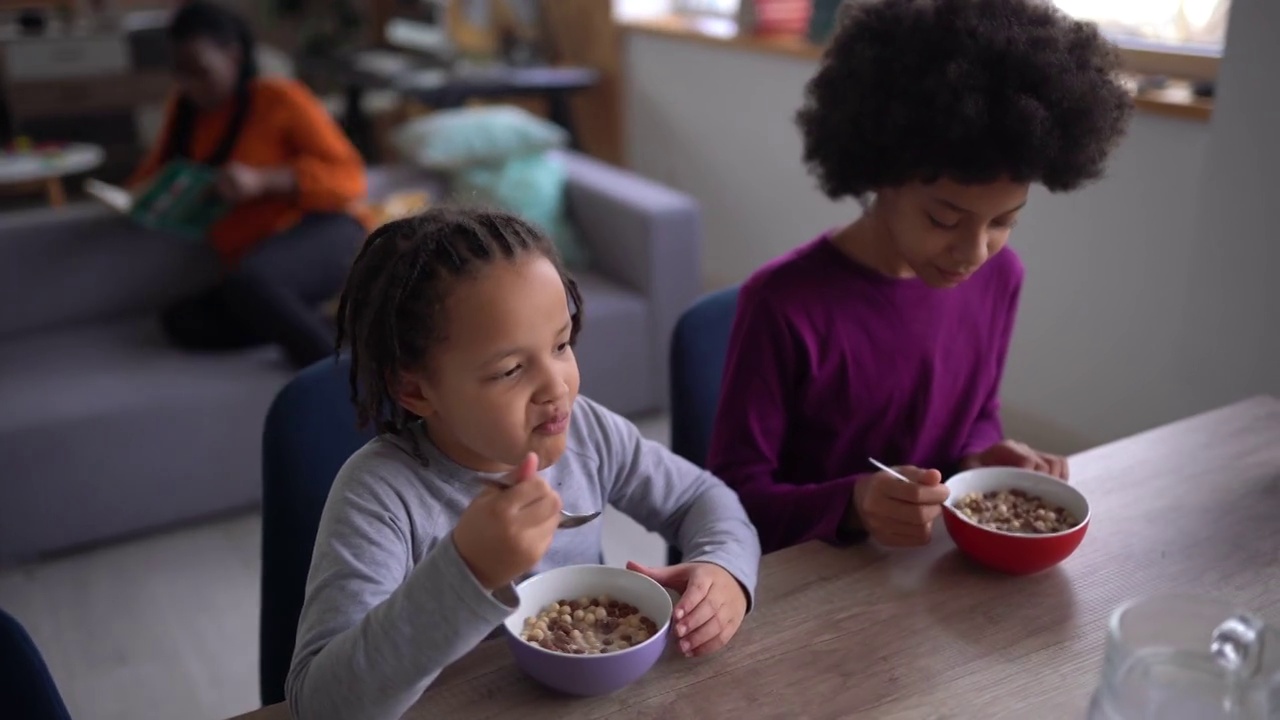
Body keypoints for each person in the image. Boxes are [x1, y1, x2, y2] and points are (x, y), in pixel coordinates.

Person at [286, 208, 761, 720]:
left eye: (561, 344)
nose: (557, 387)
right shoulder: (380, 495)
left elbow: (703, 498)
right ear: (414, 389)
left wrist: (724, 569)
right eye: (511, 369)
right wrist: (466, 571)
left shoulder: (589, 434)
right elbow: (320, 705)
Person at [706, 0, 1133, 554]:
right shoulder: (783, 305)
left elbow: (977, 412)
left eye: (1004, 221)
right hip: (806, 582)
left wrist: (984, 453)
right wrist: (855, 504)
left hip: (925, 572)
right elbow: (731, 501)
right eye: (944, 219)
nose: (974, 251)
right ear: (881, 174)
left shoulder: (1000, 277)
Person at [129, 0, 370, 368]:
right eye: (181, 72)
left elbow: (350, 179)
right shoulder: (184, 111)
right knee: (181, 321)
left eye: (201, 71)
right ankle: (327, 326)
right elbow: (150, 176)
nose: (190, 85)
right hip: (255, 263)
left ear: (234, 55)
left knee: (250, 283)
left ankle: (340, 377)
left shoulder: (279, 97)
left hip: (324, 232)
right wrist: (134, 198)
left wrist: (266, 181)